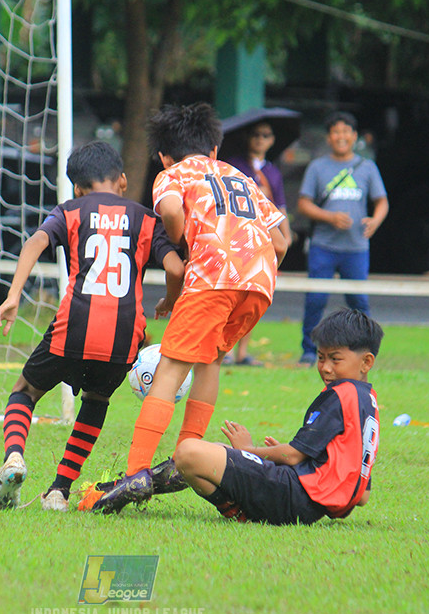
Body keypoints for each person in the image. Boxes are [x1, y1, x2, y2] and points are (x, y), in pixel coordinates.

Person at [78, 102, 290, 514]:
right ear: (213, 149)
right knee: (210, 361)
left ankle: (135, 474)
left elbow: (172, 211)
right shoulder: (238, 174)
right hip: (261, 282)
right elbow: (280, 242)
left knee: (172, 369)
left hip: (213, 276)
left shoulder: (172, 175)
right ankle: (182, 457)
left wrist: (180, 240)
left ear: (163, 155)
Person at [0, 141, 184, 512]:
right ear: (123, 180)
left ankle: (14, 457)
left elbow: (36, 242)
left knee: (25, 391)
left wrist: (13, 296)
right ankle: (59, 491)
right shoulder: (145, 218)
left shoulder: (71, 210)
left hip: (73, 325)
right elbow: (176, 268)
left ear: (78, 188)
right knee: (96, 401)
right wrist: (171, 301)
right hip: (124, 336)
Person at [173, 309, 383, 525]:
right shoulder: (367, 401)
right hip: (307, 505)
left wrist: (248, 450)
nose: (326, 368)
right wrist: (289, 459)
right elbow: (362, 496)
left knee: (189, 451)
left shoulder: (342, 394)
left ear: (366, 362)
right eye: (320, 358)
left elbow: (292, 456)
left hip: (292, 496)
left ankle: (234, 511)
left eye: (335, 359)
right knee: (216, 450)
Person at [296, 111, 388, 365]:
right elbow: (304, 204)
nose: (341, 136)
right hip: (323, 245)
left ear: (354, 136)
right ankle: (308, 350)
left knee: (358, 301)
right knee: (316, 299)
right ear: (329, 137)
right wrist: (329, 217)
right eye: (336, 132)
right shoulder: (318, 166)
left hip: (356, 246)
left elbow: (382, 201)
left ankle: (365, 351)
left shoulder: (367, 167)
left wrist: (376, 221)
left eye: (346, 131)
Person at [224, 120, 292, 366]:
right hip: (240, 236)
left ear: (272, 140)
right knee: (235, 293)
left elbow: (280, 205)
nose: (260, 139)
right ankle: (228, 350)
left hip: (265, 236)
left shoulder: (273, 171)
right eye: (255, 134)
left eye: (266, 134)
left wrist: (286, 232)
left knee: (255, 294)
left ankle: (243, 352)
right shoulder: (233, 165)